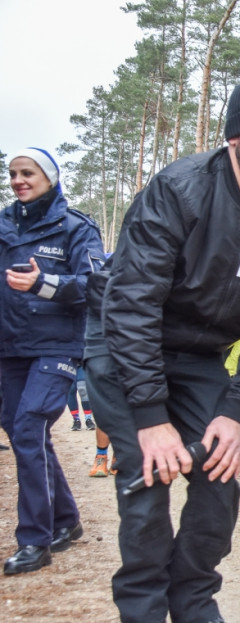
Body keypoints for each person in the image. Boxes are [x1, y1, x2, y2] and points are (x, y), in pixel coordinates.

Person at [83, 77, 240, 623]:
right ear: (235, 136)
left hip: (200, 357)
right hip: (125, 347)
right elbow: (131, 305)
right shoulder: (179, 191)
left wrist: (236, 413)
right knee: (149, 477)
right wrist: (150, 419)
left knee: (219, 475)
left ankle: (193, 612)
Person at [0, 147, 103, 576]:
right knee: (25, 432)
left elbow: (97, 284)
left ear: (50, 176)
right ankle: (66, 520)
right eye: (13, 174)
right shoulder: (3, 225)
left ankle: (34, 540)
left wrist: (45, 284)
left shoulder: (75, 227)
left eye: (28, 173)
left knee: (29, 427)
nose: (19, 180)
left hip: (57, 346)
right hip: (9, 347)